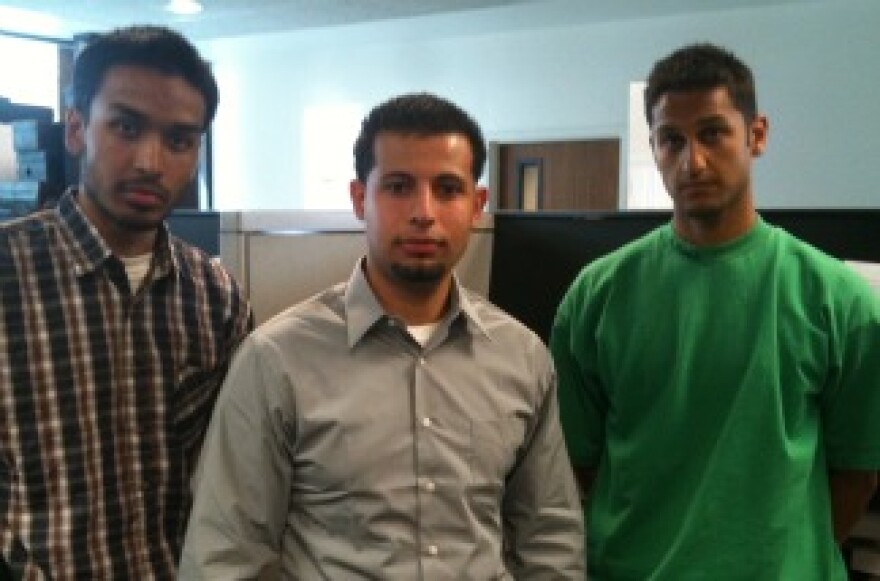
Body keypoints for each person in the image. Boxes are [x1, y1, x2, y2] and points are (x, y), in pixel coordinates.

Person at [178, 92, 585, 579]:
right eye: (397, 187)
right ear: (358, 199)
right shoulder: (276, 360)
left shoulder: (521, 357)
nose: (423, 212)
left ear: (476, 206)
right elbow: (225, 554)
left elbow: (549, 537)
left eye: (448, 189)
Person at [550, 42, 880, 579]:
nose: (692, 161)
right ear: (652, 146)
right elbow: (579, 465)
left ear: (757, 135)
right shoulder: (597, 295)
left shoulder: (839, 300)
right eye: (671, 140)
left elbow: (857, 473)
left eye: (712, 133)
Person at [0, 26, 253, 579]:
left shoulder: (216, 298)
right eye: (126, 127)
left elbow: (231, 480)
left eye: (179, 140)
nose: (150, 161)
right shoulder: (8, 274)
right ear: (76, 129)